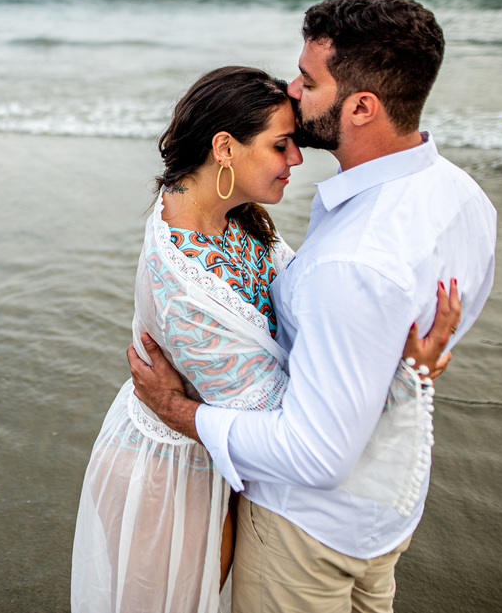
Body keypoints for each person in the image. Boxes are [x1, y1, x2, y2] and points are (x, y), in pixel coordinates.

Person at [129, 0, 497, 613]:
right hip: (391, 507)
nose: (294, 92)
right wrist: (409, 372)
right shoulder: (462, 198)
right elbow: (404, 341)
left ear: (360, 106)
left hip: (309, 531)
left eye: (308, 80)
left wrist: (179, 412)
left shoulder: (351, 259)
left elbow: (315, 454)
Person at [71, 65, 460, 613]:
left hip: (220, 464)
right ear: (224, 148)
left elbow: (303, 321)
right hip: (175, 483)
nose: (297, 159)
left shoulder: (233, 215)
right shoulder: (186, 285)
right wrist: (402, 373)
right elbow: (292, 423)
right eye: (282, 146)